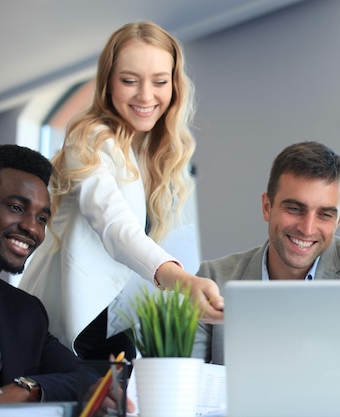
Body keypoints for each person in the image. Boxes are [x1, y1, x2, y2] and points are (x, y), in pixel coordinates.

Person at [19, 21, 224, 364]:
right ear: (108, 84)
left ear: (174, 85)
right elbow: (115, 226)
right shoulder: (90, 138)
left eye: (159, 81)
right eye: (129, 81)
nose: (146, 95)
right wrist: (182, 281)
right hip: (62, 324)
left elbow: (172, 246)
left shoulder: (165, 158)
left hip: (117, 325)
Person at [192, 141, 340, 364]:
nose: (307, 229)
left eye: (325, 214)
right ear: (267, 207)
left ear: (339, 220)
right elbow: (185, 382)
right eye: (295, 209)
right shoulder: (214, 279)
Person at [0, 144, 133, 413]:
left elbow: (85, 378)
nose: (31, 227)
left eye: (41, 218)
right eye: (16, 207)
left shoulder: (24, 312)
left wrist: (28, 389)